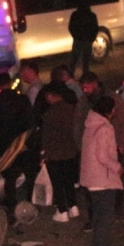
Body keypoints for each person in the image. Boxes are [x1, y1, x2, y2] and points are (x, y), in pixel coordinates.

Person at [81, 96, 124, 246]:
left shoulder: (90, 124)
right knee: (104, 218)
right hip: (102, 178)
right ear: (110, 111)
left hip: (93, 177)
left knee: (101, 215)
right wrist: (117, 167)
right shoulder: (105, 128)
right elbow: (103, 156)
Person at [0, 72, 35, 211]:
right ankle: (29, 199)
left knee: (10, 175)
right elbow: (30, 121)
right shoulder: (22, 100)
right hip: (22, 142)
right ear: (10, 83)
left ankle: (11, 202)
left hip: (5, 144)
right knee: (28, 172)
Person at [41, 83, 81, 223]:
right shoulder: (73, 110)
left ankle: (62, 211)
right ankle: (73, 206)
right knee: (69, 181)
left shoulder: (49, 114)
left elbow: (46, 138)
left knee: (58, 183)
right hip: (71, 152)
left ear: (51, 96)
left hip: (55, 155)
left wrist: (44, 156)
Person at [68, 0, 99, 79]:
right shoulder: (92, 16)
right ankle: (85, 76)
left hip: (79, 40)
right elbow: (95, 29)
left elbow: (71, 27)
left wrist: (76, 36)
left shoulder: (75, 15)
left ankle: (71, 76)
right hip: (86, 41)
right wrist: (91, 39)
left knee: (74, 60)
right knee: (86, 61)